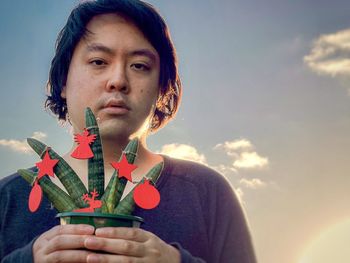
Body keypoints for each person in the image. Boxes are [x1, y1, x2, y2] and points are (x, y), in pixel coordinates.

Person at [0, 0, 257, 262]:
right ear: (63, 81)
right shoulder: (7, 197)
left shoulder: (205, 191)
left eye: (139, 66)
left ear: (161, 89)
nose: (118, 81)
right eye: (99, 61)